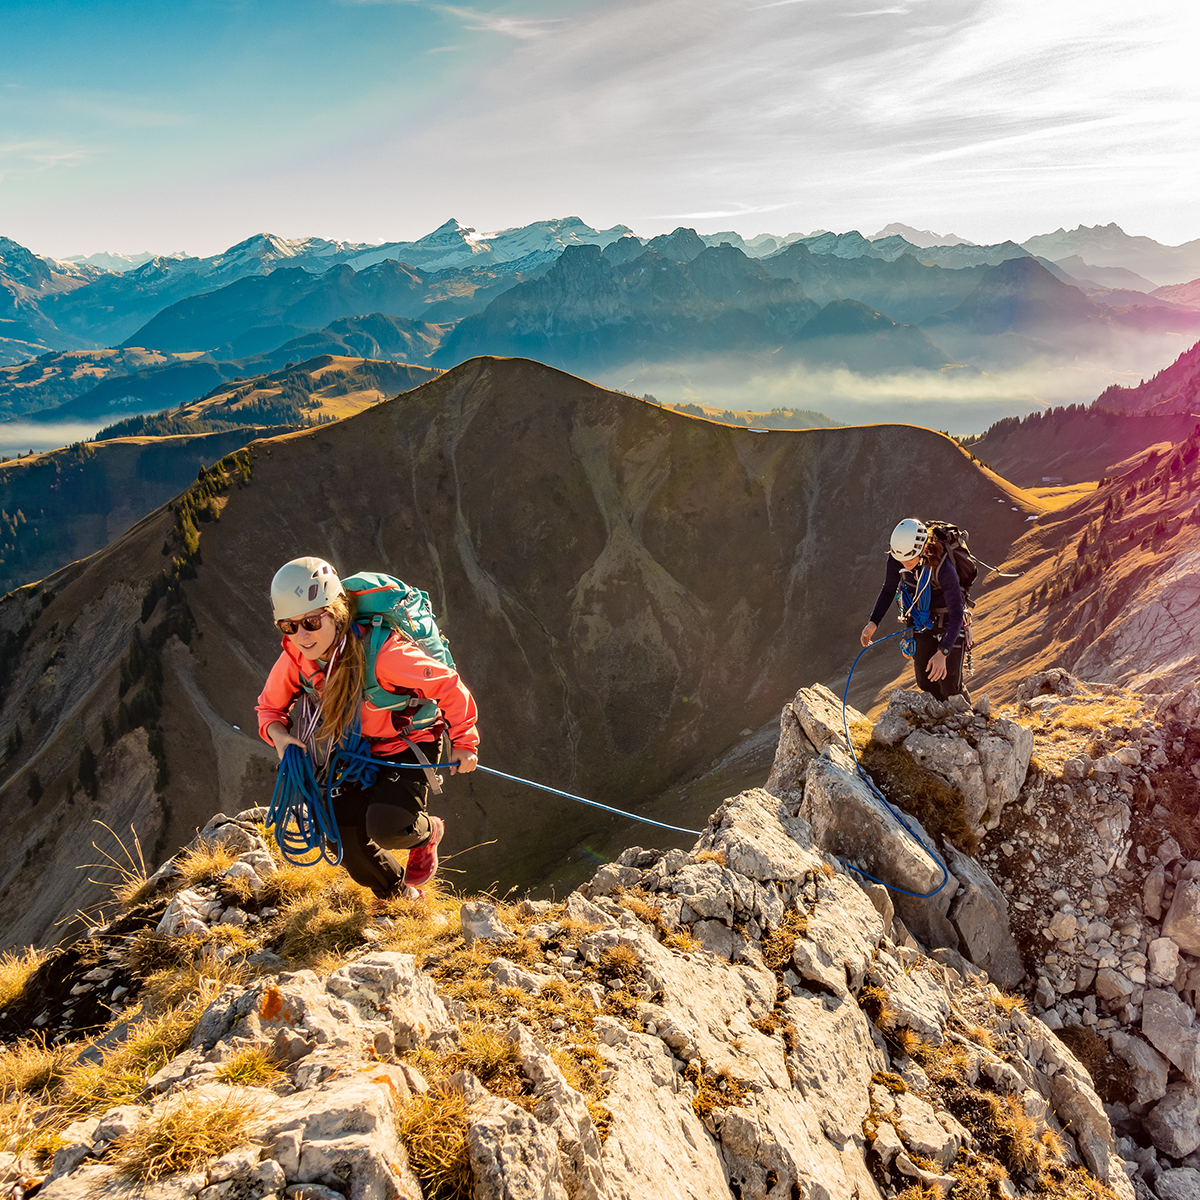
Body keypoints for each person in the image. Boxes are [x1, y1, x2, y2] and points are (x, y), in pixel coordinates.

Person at [256, 556, 479, 897]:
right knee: (339, 838)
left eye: (311, 622)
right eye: (289, 626)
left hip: (409, 742)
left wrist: (464, 741)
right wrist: (280, 736)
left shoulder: (386, 654)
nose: (301, 635)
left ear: (335, 612)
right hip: (355, 750)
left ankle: (427, 833)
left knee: (388, 826)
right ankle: (398, 897)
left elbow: (447, 685)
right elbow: (269, 708)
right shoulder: (297, 659)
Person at [860, 518, 968, 701]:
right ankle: (937, 724)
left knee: (950, 686)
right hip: (920, 621)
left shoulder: (943, 568)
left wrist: (943, 653)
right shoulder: (898, 557)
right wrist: (873, 623)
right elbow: (888, 589)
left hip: (948, 622)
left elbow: (957, 614)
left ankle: (965, 721)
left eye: (908, 559)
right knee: (926, 682)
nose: (903, 564)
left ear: (922, 549)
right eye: (900, 559)